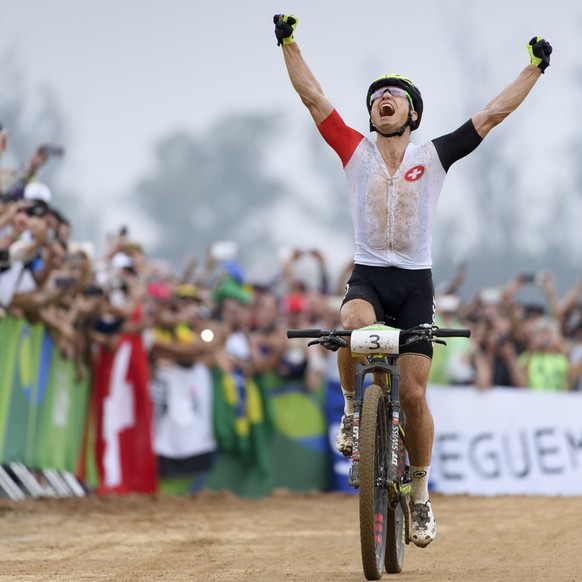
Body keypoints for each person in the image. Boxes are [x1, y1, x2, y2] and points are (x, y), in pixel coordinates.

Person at [273, 13, 552, 547]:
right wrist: (288, 43)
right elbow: (313, 98)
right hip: (371, 276)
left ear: (412, 112)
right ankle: (355, 414)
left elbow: (493, 114)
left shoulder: (435, 156)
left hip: (417, 284)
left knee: (417, 395)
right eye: (377, 93)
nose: (383, 97)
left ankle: (421, 496)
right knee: (351, 323)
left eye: (394, 94)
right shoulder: (353, 150)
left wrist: (534, 68)